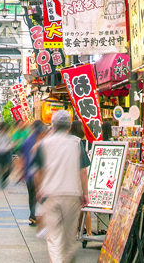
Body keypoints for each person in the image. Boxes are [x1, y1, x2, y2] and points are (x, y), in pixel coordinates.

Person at [34, 111, 89, 263]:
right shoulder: (78, 143)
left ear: (53, 125)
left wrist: (39, 190)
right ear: (69, 126)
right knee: (70, 238)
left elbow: (38, 171)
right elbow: (83, 171)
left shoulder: (44, 143)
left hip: (50, 194)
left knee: (54, 238)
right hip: (72, 195)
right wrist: (85, 193)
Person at [20, 120, 44, 226]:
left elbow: (23, 158)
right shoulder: (44, 141)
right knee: (41, 195)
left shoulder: (27, 141)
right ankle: (39, 216)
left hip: (29, 173)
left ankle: (33, 216)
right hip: (41, 174)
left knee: (32, 195)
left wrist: (21, 172)